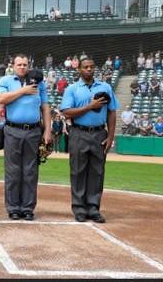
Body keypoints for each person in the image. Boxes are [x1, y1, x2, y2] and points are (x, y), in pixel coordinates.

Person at [59, 58, 119, 223]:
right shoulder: (72, 89)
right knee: (77, 171)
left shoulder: (105, 87)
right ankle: (79, 208)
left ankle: (93, 208)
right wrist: (89, 106)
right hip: (78, 133)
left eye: (92, 67)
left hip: (100, 134)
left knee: (97, 172)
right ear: (79, 69)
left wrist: (110, 136)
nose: (89, 69)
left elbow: (112, 112)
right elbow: (67, 112)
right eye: (85, 67)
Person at [0, 53, 52, 221]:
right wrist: (24, 90)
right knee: (13, 171)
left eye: (25, 64)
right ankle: (13, 208)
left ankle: (27, 208)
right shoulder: (5, 81)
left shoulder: (39, 83)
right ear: (13, 66)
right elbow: (1, 99)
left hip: (34, 131)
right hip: (12, 130)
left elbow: (45, 106)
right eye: (19, 64)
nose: (22, 67)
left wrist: (47, 130)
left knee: (30, 171)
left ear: (29, 65)